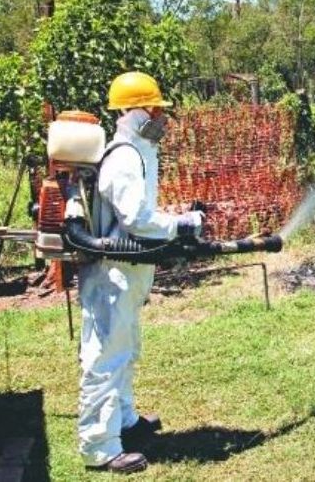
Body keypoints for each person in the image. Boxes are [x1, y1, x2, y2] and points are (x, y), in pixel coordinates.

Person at [78, 71, 204, 474]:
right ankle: (99, 447)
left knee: (125, 351)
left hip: (126, 271)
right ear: (134, 111)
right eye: (154, 108)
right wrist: (181, 223)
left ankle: (125, 424)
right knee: (106, 358)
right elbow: (136, 218)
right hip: (113, 271)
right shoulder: (125, 156)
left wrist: (175, 220)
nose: (160, 116)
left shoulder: (137, 151)